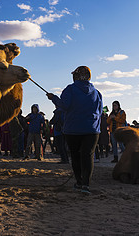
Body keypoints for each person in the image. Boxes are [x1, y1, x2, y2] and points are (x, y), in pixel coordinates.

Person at [46, 65, 102, 194]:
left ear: (75, 76)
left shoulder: (70, 89)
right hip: (92, 130)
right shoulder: (97, 93)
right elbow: (99, 111)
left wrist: (53, 98)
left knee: (75, 156)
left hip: (73, 129)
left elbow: (64, 106)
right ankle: (86, 185)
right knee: (88, 156)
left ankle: (79, 182)